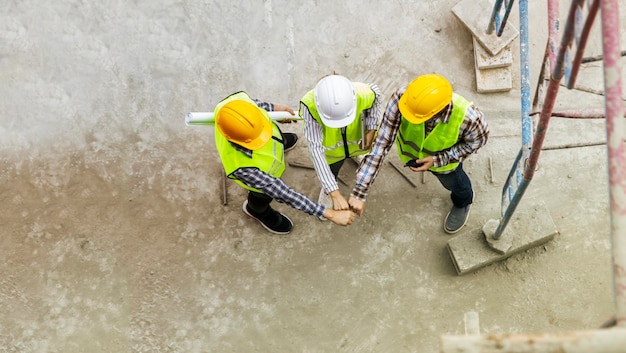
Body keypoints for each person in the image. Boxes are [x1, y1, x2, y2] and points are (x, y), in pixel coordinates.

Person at [348, 74, 489, 234]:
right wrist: (360, 191)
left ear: (438, 112)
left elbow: (475, 142)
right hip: (411, 155)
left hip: (445, 165)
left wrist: (438, 160)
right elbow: (382, 142)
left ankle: (463, 202)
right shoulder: (404, 99)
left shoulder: (470, 119)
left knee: (455, 184)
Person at [214, 91, 356, 235]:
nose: (265, 134)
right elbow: (284, 193)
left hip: (269, 142)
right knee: (262, 197)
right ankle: (256, 211)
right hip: (262, 184)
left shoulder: (235, 106)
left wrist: (274, 109)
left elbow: (255, 105)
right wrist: (329, 213)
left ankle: (280, 143)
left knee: (275, 138)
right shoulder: (243, 168)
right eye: (259, 139)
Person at [299, 74, 382, 215]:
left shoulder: (363, 93)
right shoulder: (310, 107)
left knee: (361, 149)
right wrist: (333, 191)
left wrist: (371, 128)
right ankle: (328, 189)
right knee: (332, 170)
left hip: (356, 141)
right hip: (333, 153)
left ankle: (355, 155)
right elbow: (316, 150)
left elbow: (376, 95)